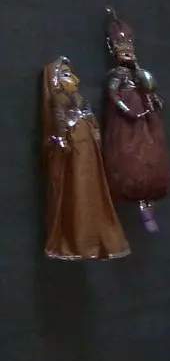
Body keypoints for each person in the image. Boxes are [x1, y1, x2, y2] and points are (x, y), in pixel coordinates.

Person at [40, 56, 130, 261]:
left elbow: (89, 116)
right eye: (65, 74)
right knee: (78, 185)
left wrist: (96, 132)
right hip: (75, 145)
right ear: (55, 79)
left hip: (87, 145)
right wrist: (62, 139)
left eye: (70, 73)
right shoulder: (59, 98)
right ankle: (79, 237)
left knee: (91, 184)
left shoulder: (78, 97)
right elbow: (59, 120)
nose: (73, 78)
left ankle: (95, 233)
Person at [102, 8, 170, 233]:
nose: (127, 55)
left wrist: (154, 100)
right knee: (131, 156)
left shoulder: (138, 75)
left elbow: (150, 91)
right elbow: (113, 93)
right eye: (123, 51)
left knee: (149, 153)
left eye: (129, 51)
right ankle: (141, 203)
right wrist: (125, 108)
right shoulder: (118, 75)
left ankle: (148, 204)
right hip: (128, 119)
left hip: (144, 116)